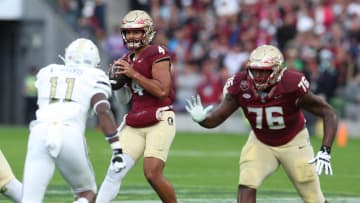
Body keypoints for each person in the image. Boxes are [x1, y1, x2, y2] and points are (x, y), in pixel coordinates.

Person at [185, 44, 338, 203]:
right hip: (261, 142)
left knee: (314, 199)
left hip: (294, 142)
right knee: (247, 182)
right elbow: (216, 119)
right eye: (255, 70)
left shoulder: (292, 84)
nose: (258, 76)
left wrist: (325, 150)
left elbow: (329, 113)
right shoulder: (240, 85)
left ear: (277, 70)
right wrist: (202, 120)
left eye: (264, 71)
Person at [21, 38, 126, 203]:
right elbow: (103, 109)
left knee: (30, 199)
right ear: (94, 61)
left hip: (39, 132)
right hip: (69, 132)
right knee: (87, 192)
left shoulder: (47, 71)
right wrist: (117, 149)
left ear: (67, 56)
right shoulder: (95, 75)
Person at [96, 10, 177, 203]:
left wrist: (133, 74)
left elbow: (162, 91)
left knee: (152, 173)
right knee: (115, 171)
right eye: (129, 32)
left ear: (147, 32)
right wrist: (117, 84)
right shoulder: (125, 60)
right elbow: (124, 100)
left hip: (159, 119)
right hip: (136, 121)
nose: (132, 36)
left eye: (137, 32)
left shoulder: (157, 52)